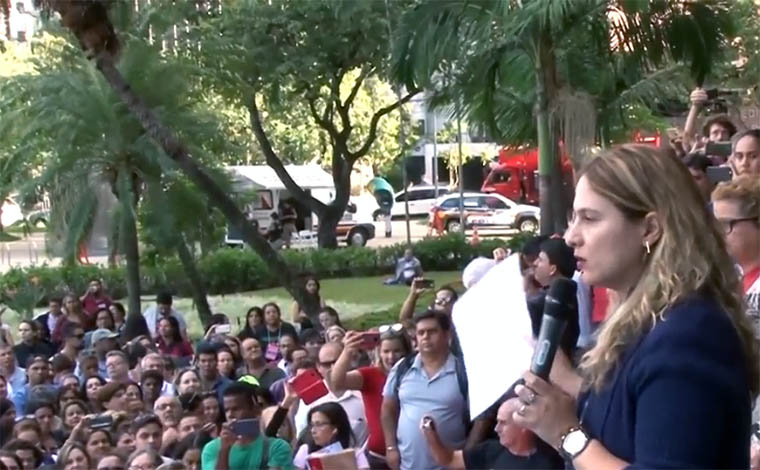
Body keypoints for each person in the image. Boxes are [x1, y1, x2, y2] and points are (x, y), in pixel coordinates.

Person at [511, 145, 758, 468]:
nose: (571, 237)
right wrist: (556, 403)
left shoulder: (688, 334)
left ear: (650, 228)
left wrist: (567, 434)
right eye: (574, 218)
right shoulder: (642, 321)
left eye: (590, 218)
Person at [381, 310, 469, 470]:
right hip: (408, 464)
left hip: (451, 465)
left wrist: (470, 453)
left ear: (447, 335)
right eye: (421, 333)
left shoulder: (462, 370)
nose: (425, 337)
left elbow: (482, 418)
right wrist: (390, 447)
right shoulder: (402, 367)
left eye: (432, 331)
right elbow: (388, 408)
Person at [328, 326, 411, 468]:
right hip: (378, 457)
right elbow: (336, 383)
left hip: (411, 454)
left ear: (406, 352)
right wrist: (347, 352)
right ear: (379, 352)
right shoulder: (370, 375)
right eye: (386, 351)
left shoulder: (415, 375)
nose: (391, 357)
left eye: (397, 351)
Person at [201, 382, 293, 470]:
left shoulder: (276, 447)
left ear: (256, 410)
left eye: (236, 409)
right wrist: (224, 450)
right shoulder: (212, 449)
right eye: (227, 410)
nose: (230, 415)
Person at [294, 342, 368, 448]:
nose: (333, 367)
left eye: (337, 362)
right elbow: (302, 434)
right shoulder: (310, 396)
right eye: (327, 364)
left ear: (349, 361)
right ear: (318, 367)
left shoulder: (363, 392)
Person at [294, 402, 370, 470]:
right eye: (312, 425)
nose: (313, 431)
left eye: (319, 424)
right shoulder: (305, 450)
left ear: (335, 428)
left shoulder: (356, 454)